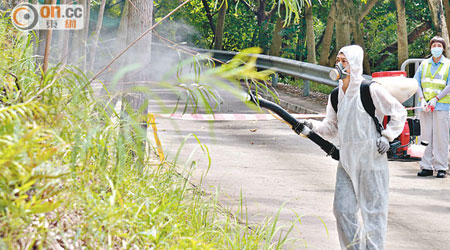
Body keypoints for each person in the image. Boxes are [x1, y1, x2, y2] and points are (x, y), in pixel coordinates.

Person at [304, 45, 406, 249]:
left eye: (344, 61)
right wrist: (312, 125)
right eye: (338, 60)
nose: (340, 65)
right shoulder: (336, 95)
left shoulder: (370, 90)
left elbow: (399, 112)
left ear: (355, 64)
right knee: (342, 210)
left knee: (373, 213)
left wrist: (387, 136)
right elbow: (332, 127)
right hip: (347, 159)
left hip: (371, 157)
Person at [415, 36, 450, 178]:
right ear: (430, 48)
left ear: (443, 48)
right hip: (425, 106)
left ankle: (441, 167)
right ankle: (426, 166)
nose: (436, 48)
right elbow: (416, 82)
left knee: (441, 137)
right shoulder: (424, 64)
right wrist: (422, 99)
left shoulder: (448, 64)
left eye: (439, 45)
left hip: (441, 105)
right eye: (434, 45)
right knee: (425, 136)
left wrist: (436, 99)